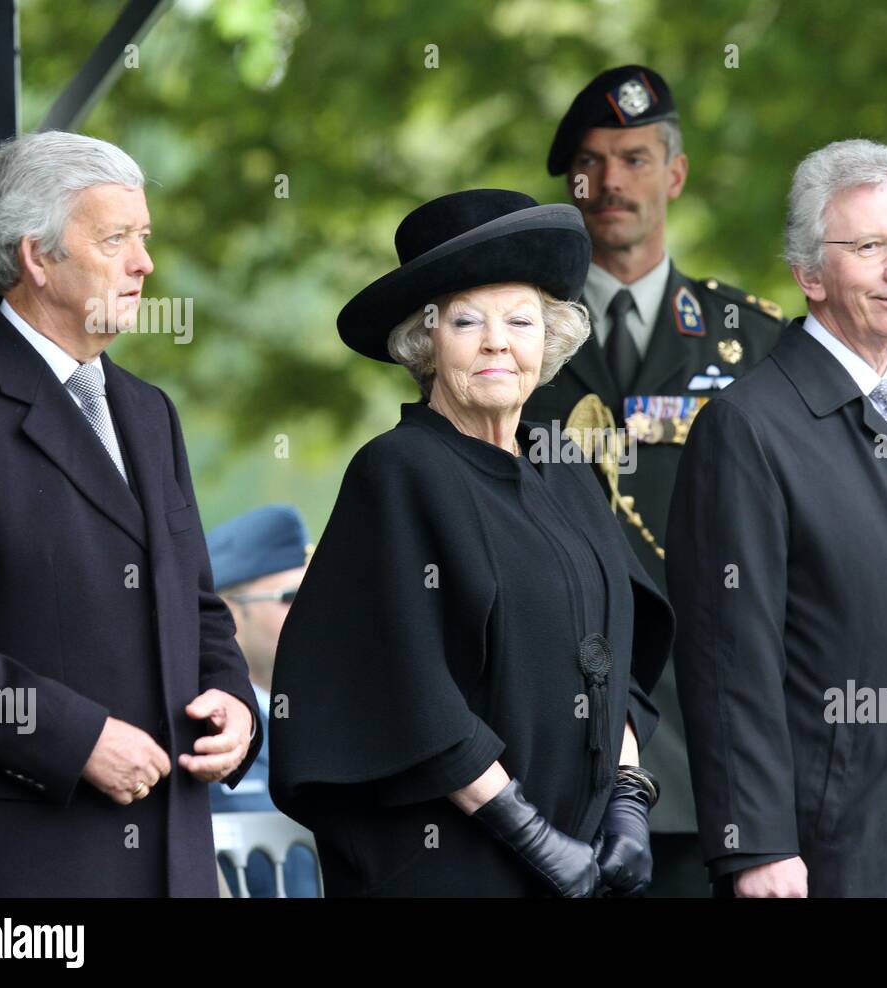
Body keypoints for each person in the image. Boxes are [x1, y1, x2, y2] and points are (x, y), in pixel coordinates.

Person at [269, 189, 674, 897]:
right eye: (466, 321)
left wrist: (628, 798)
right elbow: (404, 687)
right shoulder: (398, 472)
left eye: (520, 320)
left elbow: (619, 657)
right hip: (454, 865)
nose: (496, 341)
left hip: (582, 859)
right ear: (425, 344)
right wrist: (524, 829)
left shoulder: (565, 471)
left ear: (547, 342)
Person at [666, 139, 887, 897]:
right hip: (828, 859)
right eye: (869, 246)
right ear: (808, 274)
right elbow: (729, 657)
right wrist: (755, 844)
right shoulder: (747, 428)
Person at [0, 131, 260, 897]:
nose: (145, 263)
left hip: (176, 864)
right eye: (116, 239)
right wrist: (74, 739)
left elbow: (201, 610)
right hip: (33, 878)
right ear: (37, 258)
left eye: (143, 237)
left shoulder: (150, 412)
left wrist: (236, 708)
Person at [522, 64, 785, 896]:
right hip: (555, 740)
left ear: (673, 174)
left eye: (635, 158)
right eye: (591, 163)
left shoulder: (755, 341)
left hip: (717, 743)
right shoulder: (512, 340)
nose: (610, 182)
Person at [207, 504, 320, 897]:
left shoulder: (346, 720)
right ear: (229, 613)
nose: (312, 610)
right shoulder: (200, 728)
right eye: (289, 597)